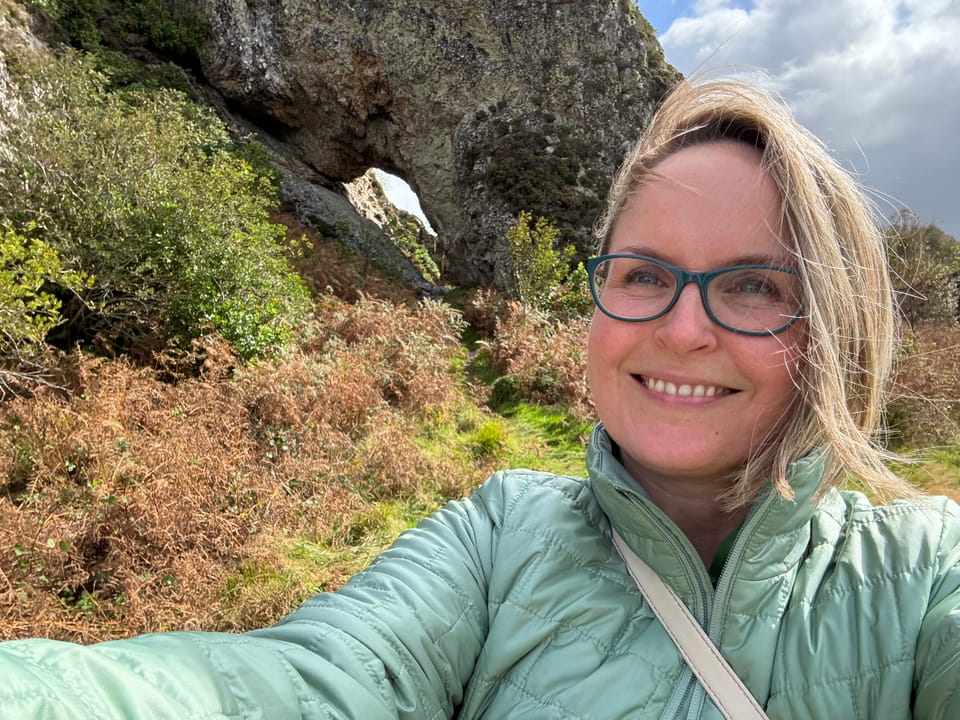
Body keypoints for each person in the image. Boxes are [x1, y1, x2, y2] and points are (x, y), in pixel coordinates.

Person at [1, 76, 959, 719]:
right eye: (641, 274)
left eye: (754, 285)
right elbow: (294, 681)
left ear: (836, 333)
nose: (681, 329)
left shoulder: (925, 577)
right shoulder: (496, 539)